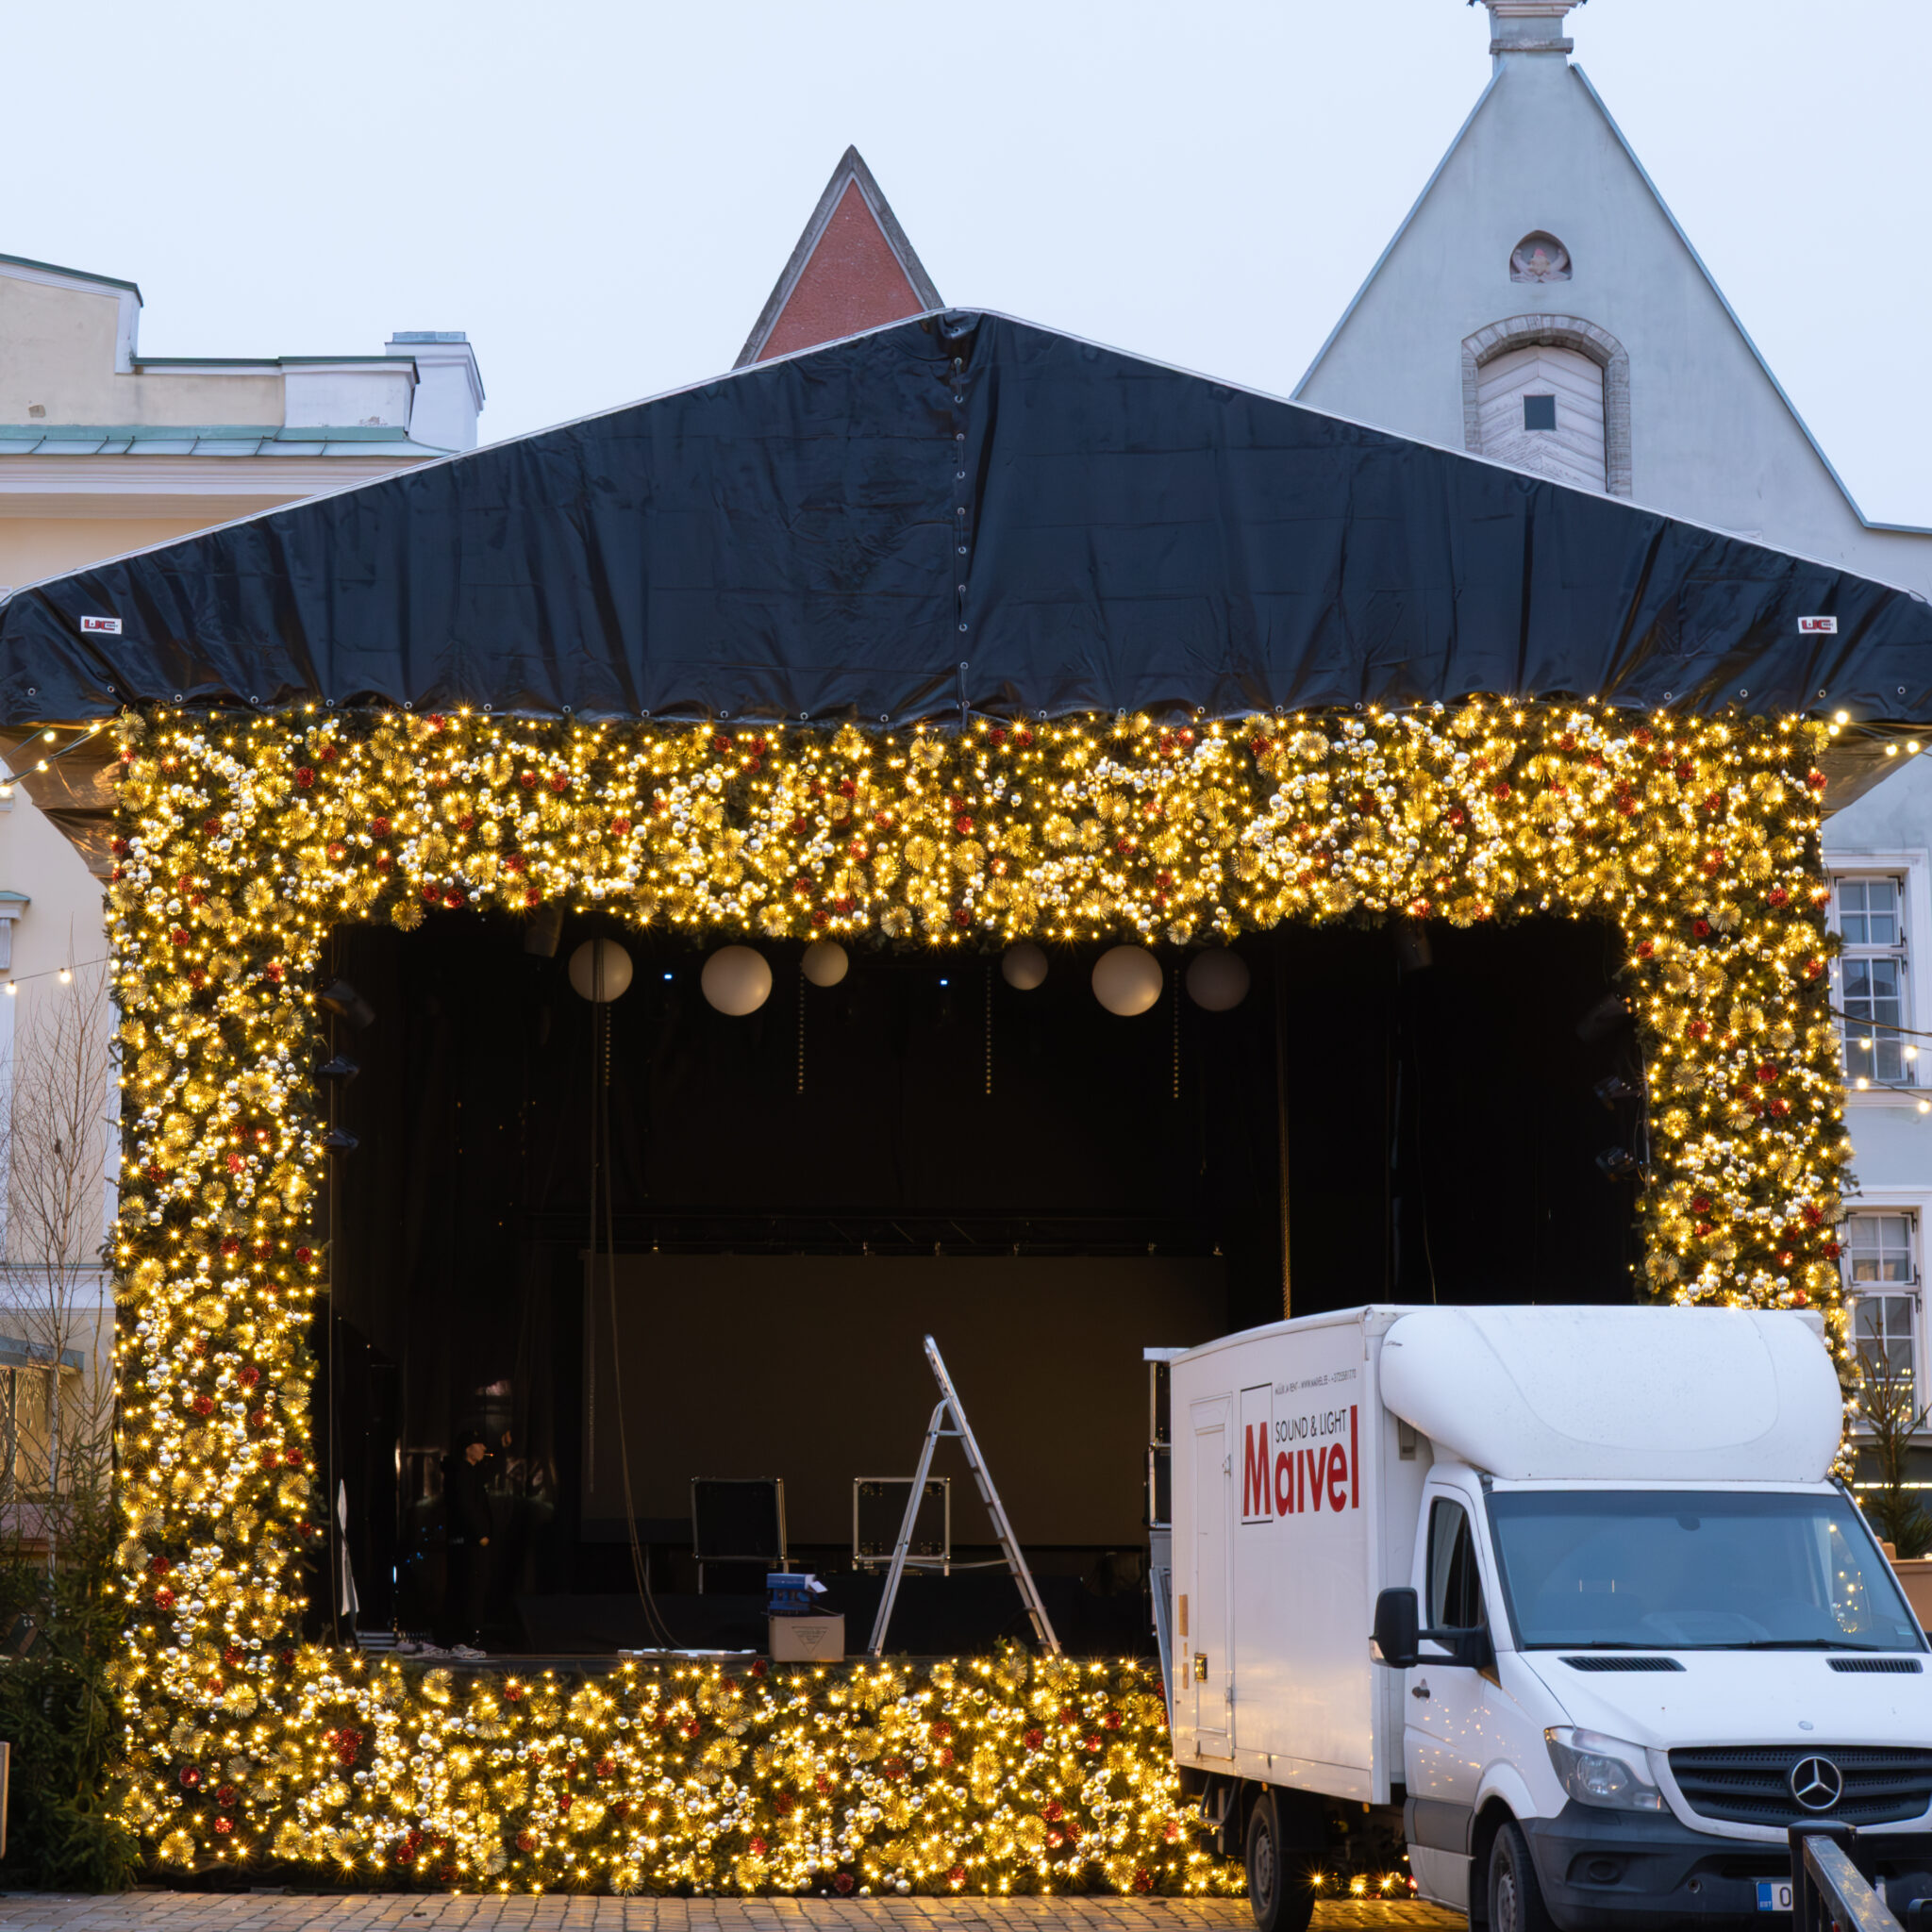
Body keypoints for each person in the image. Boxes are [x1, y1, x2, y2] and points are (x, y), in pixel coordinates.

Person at [441, 1427, 497, 1656]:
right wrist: (479, 1533)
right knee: (468, 1586)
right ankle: (466, 1635)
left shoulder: (473, 1472)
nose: (484, 1448)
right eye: (479, 1444)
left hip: (474, 1540)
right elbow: (465, 1506)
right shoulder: (460, 1473)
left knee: (475, 1586)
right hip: (468, 1541)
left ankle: (471, 1632)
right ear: (468, 1448)